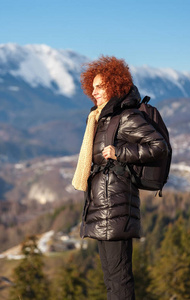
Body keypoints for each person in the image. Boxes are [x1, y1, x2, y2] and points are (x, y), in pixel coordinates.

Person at [72, 56, 168, 299]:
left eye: (99, 87)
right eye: (91, 87)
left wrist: (120, 152)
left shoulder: (125, 117)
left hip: (117, 207)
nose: (94, 93)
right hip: (101, 208)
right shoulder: (100, 118)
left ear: (114, 85)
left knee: (120, 279)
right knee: (111, 280)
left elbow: (159, 146)